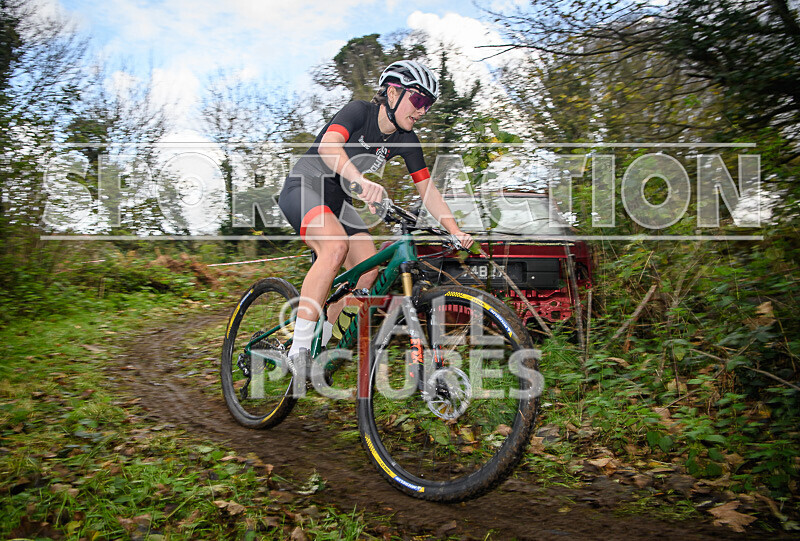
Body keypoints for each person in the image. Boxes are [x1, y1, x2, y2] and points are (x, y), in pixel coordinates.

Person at [278, 59, 473, 364]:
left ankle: (325, 339)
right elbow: (330, 145)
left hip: (338, 203)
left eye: (428, 105)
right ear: (393, 93)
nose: (422, 111)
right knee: (335, 248)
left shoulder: (407, 140)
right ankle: (298, 349)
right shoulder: (359, 111)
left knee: (369, 271)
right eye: (418, 100)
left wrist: (454, 229)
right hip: (304, 186)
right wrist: (359, 181)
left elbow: (428, 190)